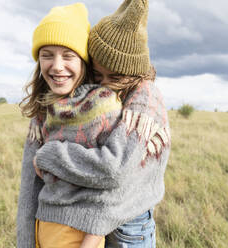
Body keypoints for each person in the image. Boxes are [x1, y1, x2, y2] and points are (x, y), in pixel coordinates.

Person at [32, 0, 171, 247]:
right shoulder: (104, 101)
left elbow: (118, 175)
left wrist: (48, 155)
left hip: (130, 227)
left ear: (136, 74)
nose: (104, 85)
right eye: (98, 75)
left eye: (115, 77)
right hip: (98, 223)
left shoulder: (143, 112)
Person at [17, 3, 116, 247]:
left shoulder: (103, 105)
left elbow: (111, 182)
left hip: (78, 236)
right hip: (43, 228)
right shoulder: (43, 110)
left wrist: (91, 242)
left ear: (84, 61)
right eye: (46, 54)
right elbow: (29, 189)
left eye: (68, 55)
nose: (57, 66)